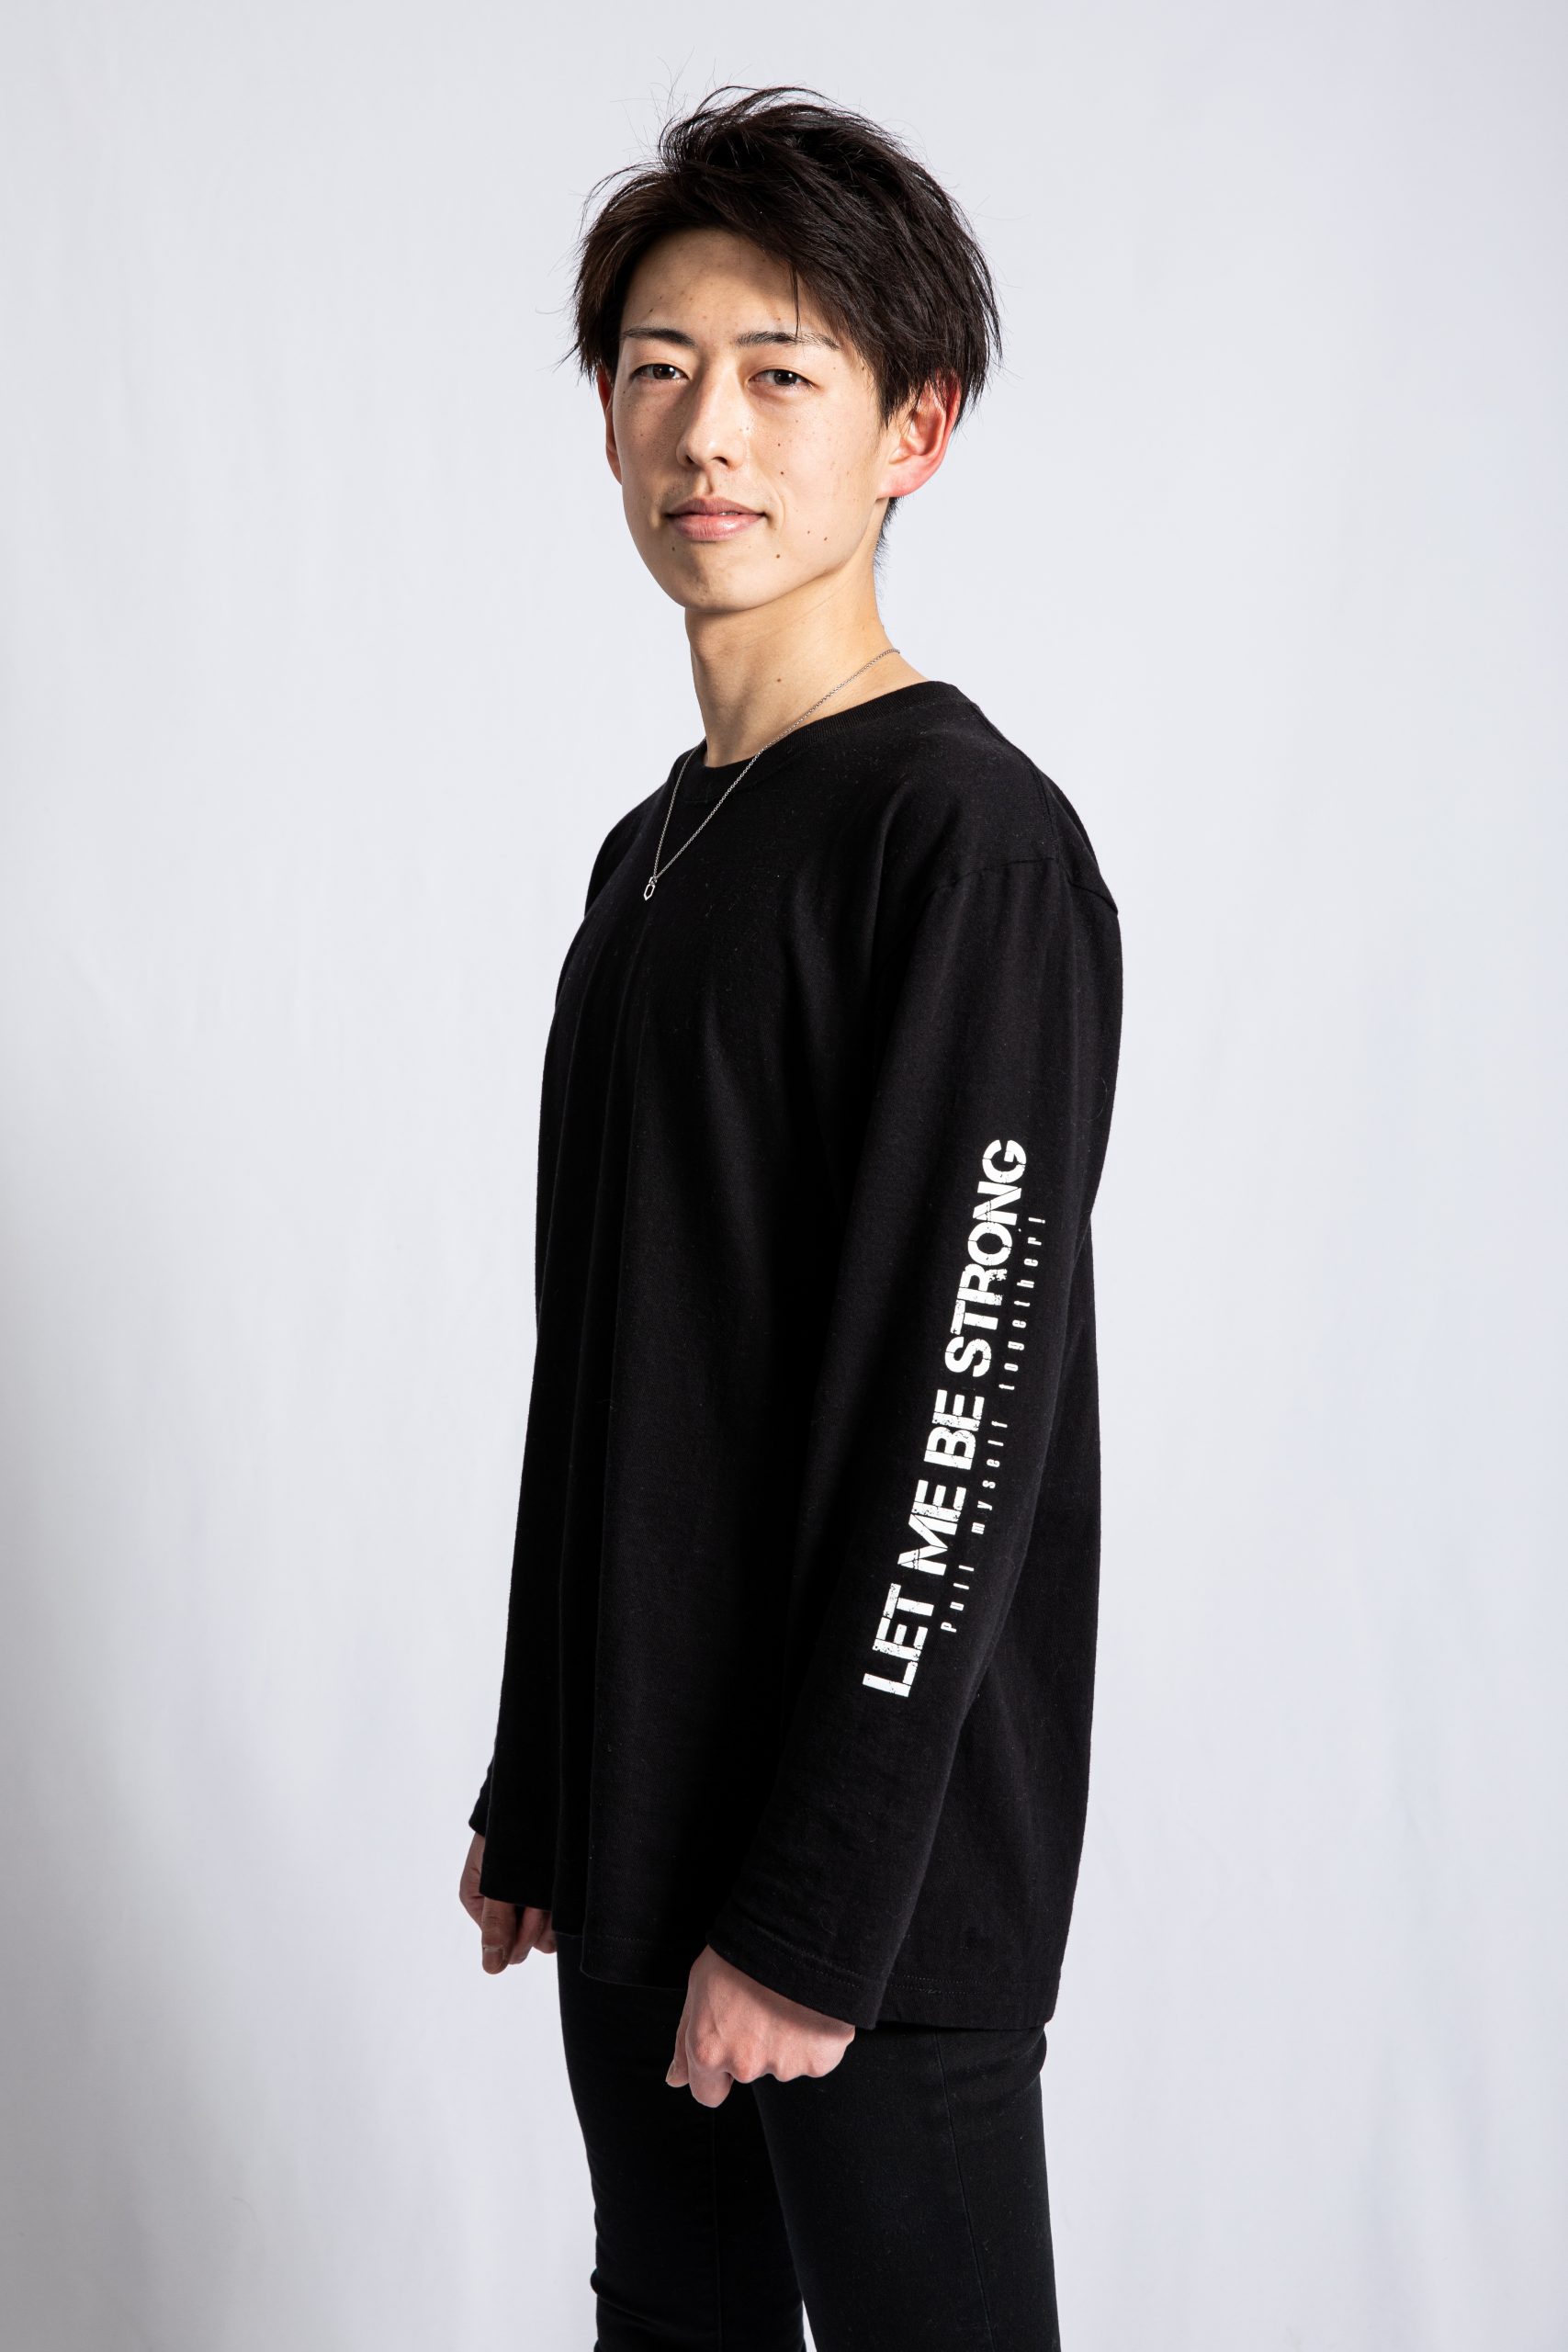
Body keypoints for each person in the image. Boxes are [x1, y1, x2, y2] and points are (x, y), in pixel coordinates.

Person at [457, 83, 1123, 2350]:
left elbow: (961, 1404)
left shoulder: (962, 845)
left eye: (778, 371)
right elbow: (616, 1348)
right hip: (645, 1831)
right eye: (657, 369)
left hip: (866, 1900)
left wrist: (814, 1909)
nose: (705, 430)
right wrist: (545, 1764)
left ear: (911, 428)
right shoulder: (651, 853)